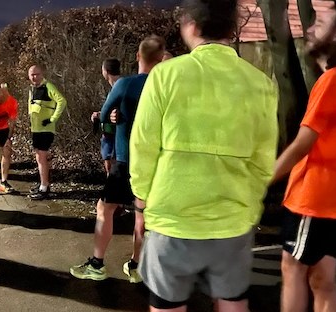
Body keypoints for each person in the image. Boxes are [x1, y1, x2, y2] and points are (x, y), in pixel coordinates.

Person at [129, 0, 279, 311]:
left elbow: (143, 147)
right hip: (233, 220)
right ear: (231, 30)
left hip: (173, 218)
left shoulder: (166, 75)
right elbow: (264, 159)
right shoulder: (260, 84)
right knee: (232, 302)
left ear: (192, 26)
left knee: (166, 305)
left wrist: (141, 202)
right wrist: (248, 204)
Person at [272, 4, 336, 312]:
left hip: (315, 198)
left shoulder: (333, 81)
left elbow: (302, 144)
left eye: (320, 23)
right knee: (322, 279)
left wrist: (262, 179)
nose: (309, 29)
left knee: (292, 268)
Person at [70, 36, 165, 284]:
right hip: (157, 162)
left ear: (138, 57)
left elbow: (103, 115)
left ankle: (97, 264)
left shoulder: (125, 84)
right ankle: (136, 266)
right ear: (161, 58)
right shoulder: (166, 86)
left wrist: (112, 115)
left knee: (105, 208)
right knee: (142, 215)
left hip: (127, 160)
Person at [27, 65, 67, 200]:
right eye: (32, 75)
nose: (34, 77)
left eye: (37, 74)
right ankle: (43, 185)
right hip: (36, 129)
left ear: (42, 74)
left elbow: (61, 101)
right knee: (39, 157)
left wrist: (52, 119)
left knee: (41, 157)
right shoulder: (32, 89)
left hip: (45, 129)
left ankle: (44, 188)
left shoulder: (48, 86)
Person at [90, 58, 121, 176]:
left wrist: (102, 115)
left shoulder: (119, 87)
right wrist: (100, 114)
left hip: (114, 134)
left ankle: (112, 191)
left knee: (112, 165)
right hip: (109, 133)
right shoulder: (116, 88)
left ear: (105, 71)